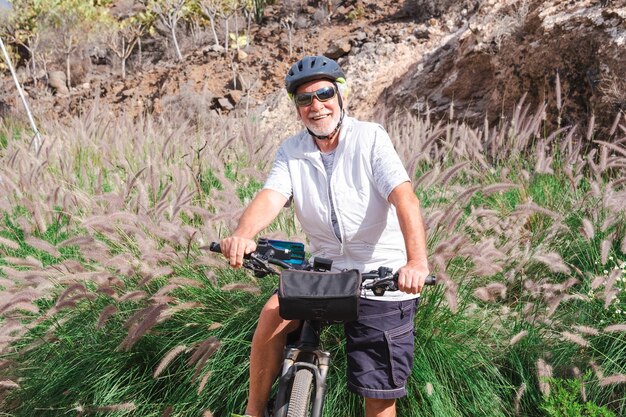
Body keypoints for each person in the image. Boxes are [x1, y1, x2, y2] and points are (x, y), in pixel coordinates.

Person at [220, 55, 430, 417]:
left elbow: (404, 197)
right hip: (327, 270)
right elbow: (272, 196)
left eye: (324, 94)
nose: (316, 106)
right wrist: (243, 233)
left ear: (340, 95)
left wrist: (416, 263)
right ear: (297, 107)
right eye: (305, 99)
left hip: (379, 273)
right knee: (273, 314)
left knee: (377, 393)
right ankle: (254, 411)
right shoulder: (292, 151)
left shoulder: (370, 139)